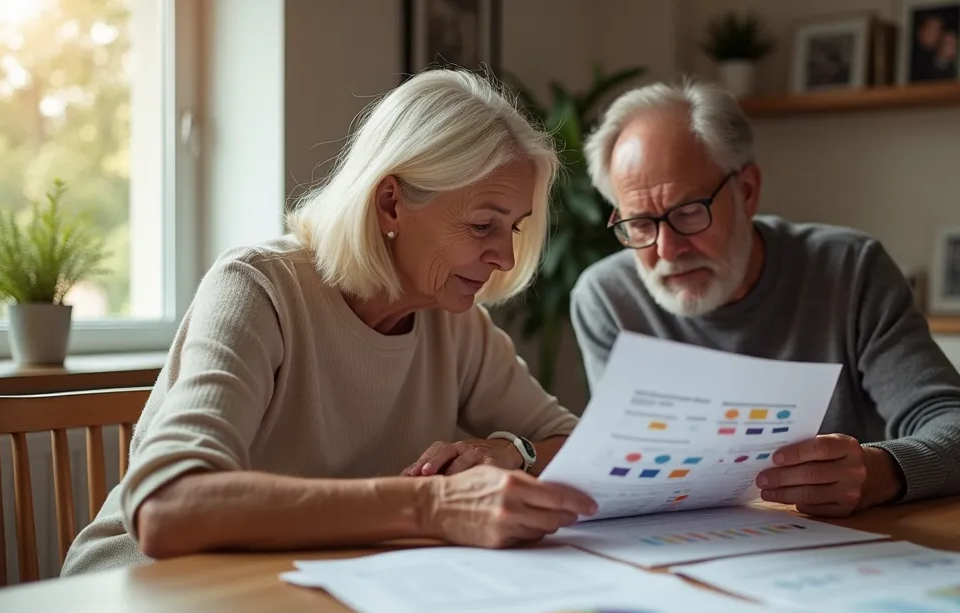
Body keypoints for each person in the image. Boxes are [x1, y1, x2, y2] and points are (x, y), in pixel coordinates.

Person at [62, 69, 597, 575]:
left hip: (292, 591)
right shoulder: (258, 288)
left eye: (515, 228)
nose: (504, 257)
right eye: (483, 225)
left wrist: (513, 451)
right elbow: (167, 509)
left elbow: (579, 445)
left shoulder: (454, 323)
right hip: (141, 595)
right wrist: (431, 505)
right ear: (391, 204)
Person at [570, 80, 960, 519]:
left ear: (747, 191)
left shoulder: (850, 271)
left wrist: (881, 471)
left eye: (687, 213)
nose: (666, 250)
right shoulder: (607, 299)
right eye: (640, 224)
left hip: (843, 549)